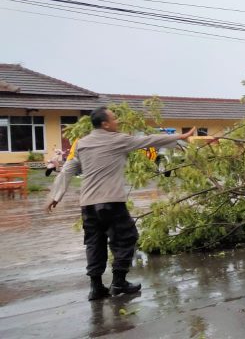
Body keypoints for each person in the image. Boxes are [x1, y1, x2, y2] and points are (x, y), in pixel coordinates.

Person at [46, 106, 195, 301]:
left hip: (88, 204)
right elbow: (149, 139)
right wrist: (180, 136)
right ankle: (119, 282)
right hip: (111, 202)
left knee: (94, 243)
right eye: (114, 119)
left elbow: (68, 169)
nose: (117, 122)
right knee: (126, 238)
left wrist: (55, 196)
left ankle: (96, 287)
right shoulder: (118, 140)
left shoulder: (81, 144)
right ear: (105, 124)